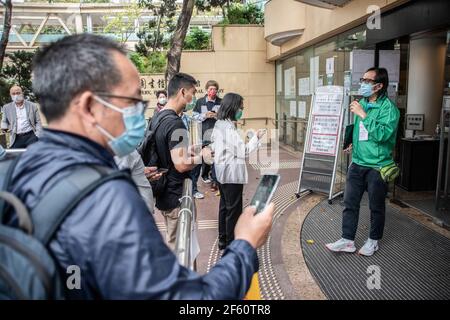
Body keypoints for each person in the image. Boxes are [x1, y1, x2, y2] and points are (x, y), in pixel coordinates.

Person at [6, 34, 274, 299]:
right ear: (89, 107)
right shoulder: (106, 199)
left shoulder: (17, 167)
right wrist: (245, 244)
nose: (138, 112)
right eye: (132, 102)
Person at [326, 67, 399, 257]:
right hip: (357, 163)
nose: (363, 84)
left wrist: (363, 115)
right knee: (350, 203)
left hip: (378, 166)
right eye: (363, 79)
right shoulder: (362, 103)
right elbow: (362, 132)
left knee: (376, 206)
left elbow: (383, 135)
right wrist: (352, 143)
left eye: (367, 81)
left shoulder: (389, 109)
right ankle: (347, 240)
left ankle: (373, 240)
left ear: (379, 86)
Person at [210, 93, 266, 250]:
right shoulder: (228, 128)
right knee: (233, 210)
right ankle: (231, 245)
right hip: (231, 174)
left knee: (224, 206)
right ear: (232, 107)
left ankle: (223, 239)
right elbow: (243, 151)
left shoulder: (220, 124)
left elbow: (215, 145)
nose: (242, 110)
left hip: (221, 171)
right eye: (241, 107)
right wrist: (256, 137)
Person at [192, 80, 221, 193]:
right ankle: (204, 175)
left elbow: (224, 115)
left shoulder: (220, 102)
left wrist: (216, 115)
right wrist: (205, 115)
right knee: (203, 156)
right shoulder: (200, 102)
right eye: (210, 89)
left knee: (214, 156)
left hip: (217, 133)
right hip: (203, 132)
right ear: (206, 90)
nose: (212, 91)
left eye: (214, 89)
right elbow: (194, 116)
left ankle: (214, 179)